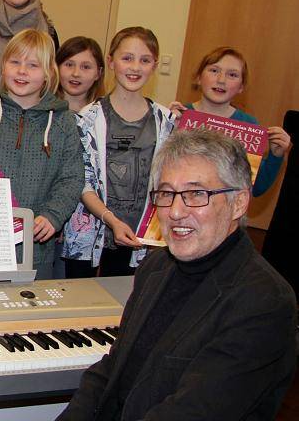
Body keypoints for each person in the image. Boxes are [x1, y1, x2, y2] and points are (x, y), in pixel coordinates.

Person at [58, 128, 296, 421]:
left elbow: (192, 411)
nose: (175, 211)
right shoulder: (156, 267)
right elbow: (111, 369)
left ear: (239, 203)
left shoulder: (264, 302)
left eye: (196, 194)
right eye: (167, 194)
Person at [0, 29, 83, 280]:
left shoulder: (63, 122)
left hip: (37, 247)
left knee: (30, 314)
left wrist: (53, 215)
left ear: (48, 74)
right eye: (15, 62)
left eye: (33, 65)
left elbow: (72, 177)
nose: (22, 71)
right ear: (3, 66)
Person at [62, 27, 174, 279]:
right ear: (111, 62)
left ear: (155, 65)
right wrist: (111, 220)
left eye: (144, 60)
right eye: (127, 58)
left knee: (131, 305)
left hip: (143, 236)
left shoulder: (166, 120)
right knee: (84, 306)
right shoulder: (87, 119)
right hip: (91, 234)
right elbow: (82, 181)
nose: (135, 67)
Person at [169, 47, 291, 197]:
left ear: (241, 87)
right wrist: (167, 129)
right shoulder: (178, 116)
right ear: (199, 77)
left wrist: (275, 155)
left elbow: (256, 188)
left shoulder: (249, 125)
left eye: (232, 75)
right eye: (214, 71)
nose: (221, 80)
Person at [55, 36, 105, 114]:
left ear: (98, 73)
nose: (76, 74)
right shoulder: (42, 109)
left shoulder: (104, 113)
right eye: (69, 65)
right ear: (57, 67)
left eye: (86, 67)